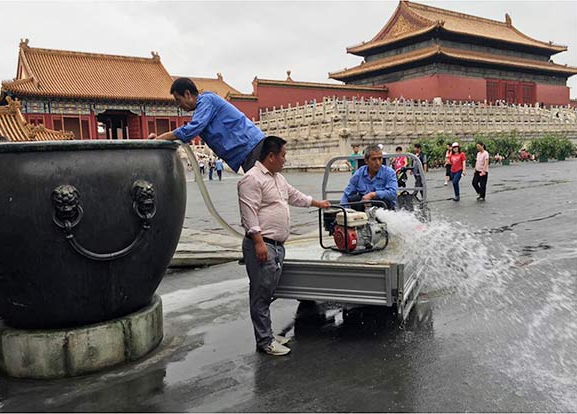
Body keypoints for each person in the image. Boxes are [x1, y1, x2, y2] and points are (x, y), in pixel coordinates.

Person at [238, 136, 330, 356]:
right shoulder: (252, 179)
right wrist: (259, 243)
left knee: (268, 291)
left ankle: (267, 334)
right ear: (271, 156)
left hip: (277, 246)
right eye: (283, 155)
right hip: (263, 245)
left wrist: (318, 203)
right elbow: (248, 214)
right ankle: (265, 341)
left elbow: (294, 196)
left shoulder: (278, 178)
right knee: (260, 295)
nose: (285, 160)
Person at [148, 78, 265, 173]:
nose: (179, 105)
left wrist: (160, 138)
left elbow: (192, 129)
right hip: (248, 152)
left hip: (253, 148)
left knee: (263, 194)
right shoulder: (202, 108)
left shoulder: (206, 100)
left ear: (187, 94)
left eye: (178, 100)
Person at [340, 144, 397, 210]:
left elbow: (393, 193)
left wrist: (373, 194)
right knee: (354, 199)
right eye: (374, 159)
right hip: (364, 207)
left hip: (384, 208)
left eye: (379, 158)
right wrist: (344, 210)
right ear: (366, 161)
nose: (378, 162)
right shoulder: (359, 173)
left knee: (385, 201)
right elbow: (347, 194)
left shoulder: (389, 172)